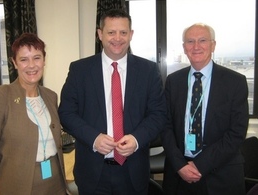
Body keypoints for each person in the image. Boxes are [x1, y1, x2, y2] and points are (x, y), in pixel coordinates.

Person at [58, 9, 167, 195]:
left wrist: (136, 138)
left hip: (133, 171)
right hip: (92, 172)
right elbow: (66, 113)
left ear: (131, 35)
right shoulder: (80, 70)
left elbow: (158, 114)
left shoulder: (148, 71)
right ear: (100, 34)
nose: (118, 38)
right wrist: (94, 138)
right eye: (111, 32)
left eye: (123, 32)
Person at [161, 23, 249, 195]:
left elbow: (237, 132)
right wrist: (180, 165)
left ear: (213, 45)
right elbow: (165, 125)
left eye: (202, 40)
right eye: (190, 41)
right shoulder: (173, 81)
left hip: (222, 173)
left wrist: (200, 164)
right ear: (184, 47)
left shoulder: (235, 82)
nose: (196, 47)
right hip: (179, 173)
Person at [0, 33, 69, 195]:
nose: (31, 65)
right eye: (24, 59)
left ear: (44, 60)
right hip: (20, 185)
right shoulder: (0, 96)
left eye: (37, 58)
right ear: (14, 63)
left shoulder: (50, 96)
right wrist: (6, 178)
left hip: (55, 181)